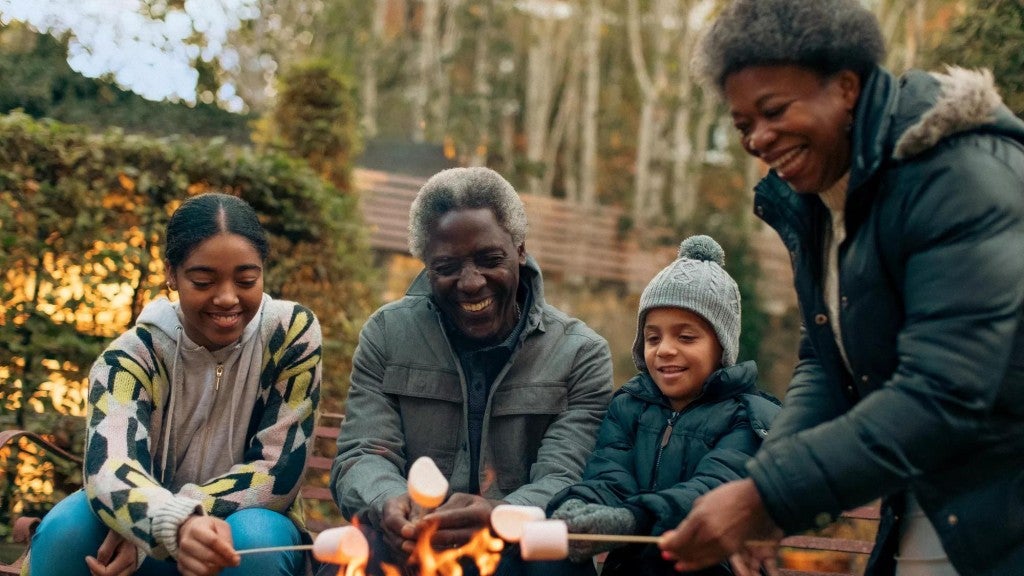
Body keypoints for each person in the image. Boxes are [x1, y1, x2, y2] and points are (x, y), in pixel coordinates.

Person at [657, 1, 1024, 575]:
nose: (758, 138)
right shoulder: (828, 203)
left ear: (847, 87)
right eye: (743, 124)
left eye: (774, 110)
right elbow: (828, 365)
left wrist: (768, 497)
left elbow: (942, 393)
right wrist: (767, 486)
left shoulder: (958, 180)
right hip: (938, 508)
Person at [328, 166, 614, 576]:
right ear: (427, 266)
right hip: (413, 546)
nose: (471, 282)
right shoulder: (388, 335)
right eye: (447, 266)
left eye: (489, 259)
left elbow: (567, 478)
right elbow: (362, 454)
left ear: (519, 249)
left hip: (519, 552)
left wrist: (501, 515)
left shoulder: (579, 354)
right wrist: (388, 500)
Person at [31, 192, 324, 576]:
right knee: (65, 531)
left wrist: (179, 517)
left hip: (238, 526)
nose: (226, 298)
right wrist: (166, 524)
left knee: (255, 539)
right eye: (202, 281)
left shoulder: (291, 334)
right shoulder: (130, 359)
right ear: (171, 274)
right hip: (153, 526)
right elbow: (110, 466)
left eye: (246, 279)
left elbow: (279, 471)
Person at [546, 235, 781, 576]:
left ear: (722, 348)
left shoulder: (748, 417)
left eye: (686, 337)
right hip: (632, 566)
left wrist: (632, 519)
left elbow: (707, 494)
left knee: (666, 555)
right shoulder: (629, 406)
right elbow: (610, 478)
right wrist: (580, 505)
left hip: (711, 564)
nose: (665, 350)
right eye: (653, 338)